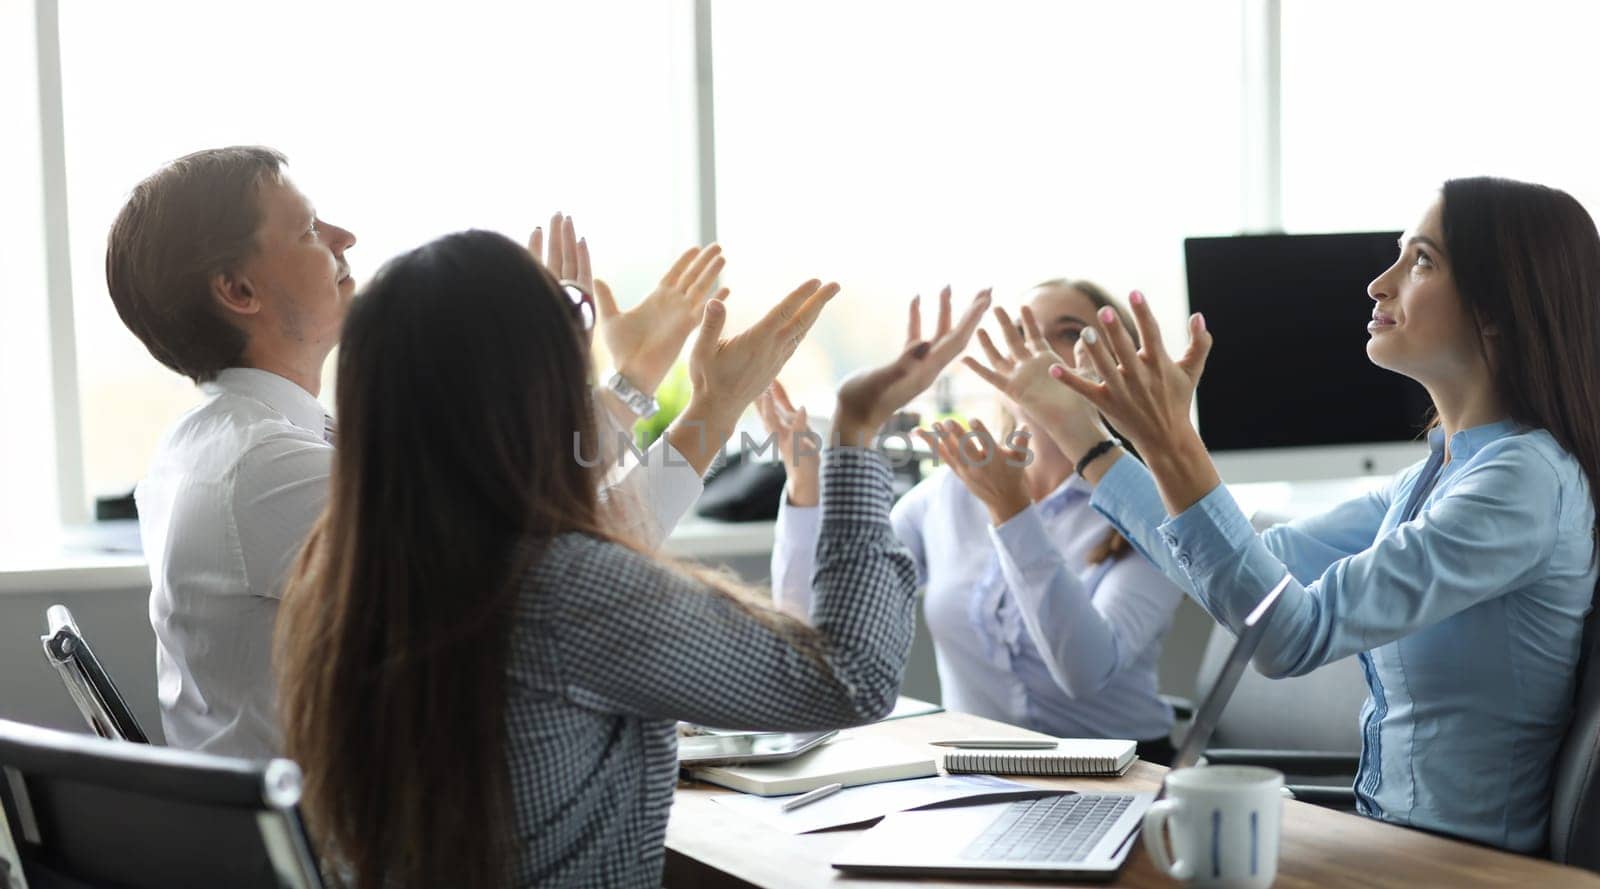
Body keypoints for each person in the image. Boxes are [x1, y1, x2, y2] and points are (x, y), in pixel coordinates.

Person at [273, 229, 965, 887]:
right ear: (532, 386)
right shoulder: (560, 589)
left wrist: (709, 403)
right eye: (567, 320)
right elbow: (850, 678)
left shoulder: (335, 576)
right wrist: (855, 429)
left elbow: (576, 516)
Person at [965, 177, 1600, 852]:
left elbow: (1287, 633)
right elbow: (1252, 560)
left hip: (1462, 867)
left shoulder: (1520, 483)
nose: (1379, 284)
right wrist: (1083, 435)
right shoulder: (1436, 476)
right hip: (1389, 839)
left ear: (1498, 306)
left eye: (1420, 260)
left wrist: (1171, 442)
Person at [107, 146, 755, 755]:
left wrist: (631, 383)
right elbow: (561, 571)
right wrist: (712, 411)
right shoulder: (264, 470)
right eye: (307, 230)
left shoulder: (225, 445)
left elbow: (526, 508)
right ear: (239, 291)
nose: (343, 239)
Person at [762, 281, 1185, 763]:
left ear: (1117, 362)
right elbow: (815, 631)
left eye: (1067, 333)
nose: (1036, 349)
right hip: (976, 777)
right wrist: (806, 485)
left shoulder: (1155, 509)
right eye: (1021, 332)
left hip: (1125, 774)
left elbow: (1085, 673)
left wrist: (1012, 513)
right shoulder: (947, 494)